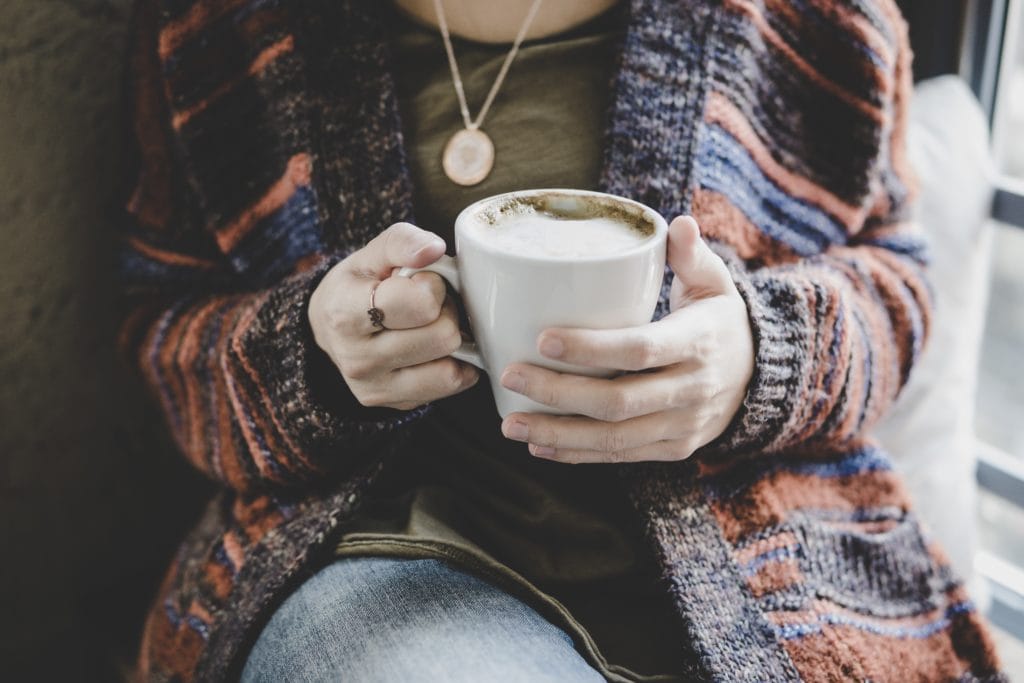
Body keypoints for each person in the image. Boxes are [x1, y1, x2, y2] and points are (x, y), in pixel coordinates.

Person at [122, 0, 1005, 680]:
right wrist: (309, 355)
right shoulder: (223, 30)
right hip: (394, 572)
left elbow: (897, 282)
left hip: (771, 574)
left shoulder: (818, 20)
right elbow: (165, 329)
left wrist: (759, 360)